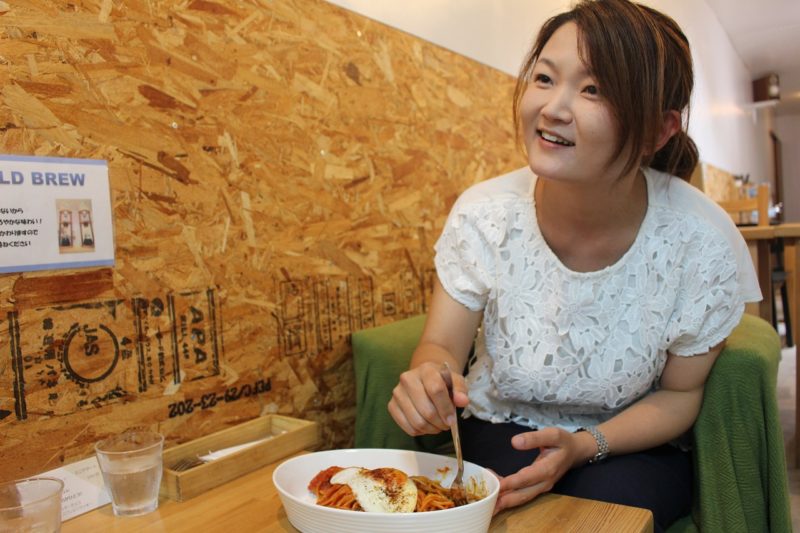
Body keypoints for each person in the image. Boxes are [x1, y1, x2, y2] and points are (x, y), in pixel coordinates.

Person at [387, 1, 762, 531]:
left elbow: (680, 394)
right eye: (544, 78)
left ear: (658, 131)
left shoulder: (699, 242)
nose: (553, 108)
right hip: (501, 432)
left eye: (594, 90)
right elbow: (442, 347)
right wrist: (431, 378)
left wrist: (585, 445)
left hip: (627, 444)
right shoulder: (484, 214)